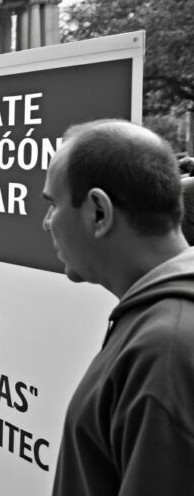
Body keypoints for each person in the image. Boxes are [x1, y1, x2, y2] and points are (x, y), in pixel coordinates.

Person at [42, 120, 194, 496]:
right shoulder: (160, 321)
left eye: (53, 204)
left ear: (98, 213)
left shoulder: (164, 351)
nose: (47, 223)